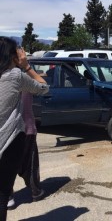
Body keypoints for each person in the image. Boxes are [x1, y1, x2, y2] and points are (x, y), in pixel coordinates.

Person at [0, 37, 49, 220]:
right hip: (10, 140)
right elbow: (44, 87)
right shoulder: (15, 76)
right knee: (3, 192)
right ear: (13, 56)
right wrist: (26, 66)